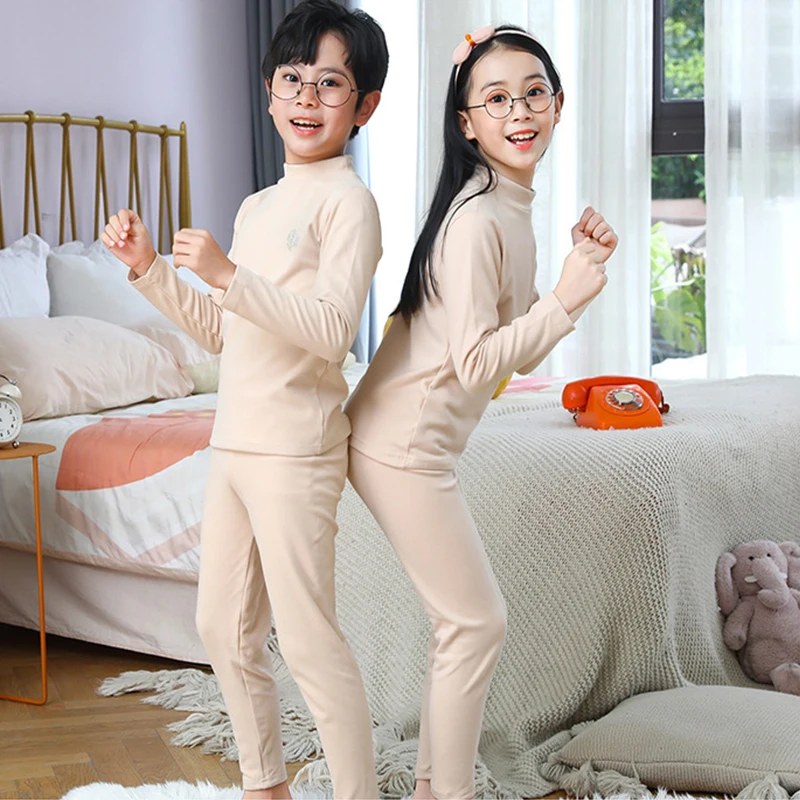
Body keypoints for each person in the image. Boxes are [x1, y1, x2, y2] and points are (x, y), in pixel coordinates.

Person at [101, 2, 388, 797]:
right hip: (233, 442)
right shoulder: (257, 208)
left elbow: (330, 331)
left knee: (309, 642)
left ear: (364, 106)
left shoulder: (349, 202)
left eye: (329, 83)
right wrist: (151, 269)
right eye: (292, 79)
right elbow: (227, 335)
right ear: (268, 92)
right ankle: (266, 785)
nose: (306, 98)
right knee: (221, 627)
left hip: (296, 448)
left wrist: (228, 274)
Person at [344, 24, 617, 800]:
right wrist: (563, 298)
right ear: (467, 123)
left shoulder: (509, 208)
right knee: (476, 622)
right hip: (399, 443)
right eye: (496, 99)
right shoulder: (477, 220)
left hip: (411, 440)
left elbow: (516, 353)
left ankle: (437, 786)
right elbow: (477, 363)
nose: (518, 110)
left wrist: (575, 278)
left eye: (533, 93)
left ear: (558, 104)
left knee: (461, 624)